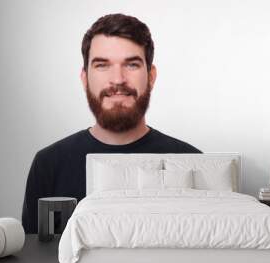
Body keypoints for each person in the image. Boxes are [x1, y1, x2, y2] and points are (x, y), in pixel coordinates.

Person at [22, 13, 202, 234]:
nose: (117, 79)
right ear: (85, 78)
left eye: (132, 64)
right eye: (102, 65)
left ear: (151, 76)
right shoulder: (49, 164)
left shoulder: (192, 163)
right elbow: (35, 260)